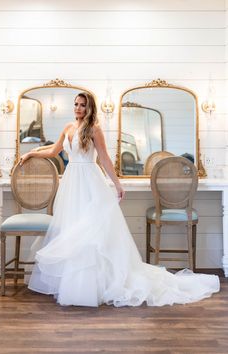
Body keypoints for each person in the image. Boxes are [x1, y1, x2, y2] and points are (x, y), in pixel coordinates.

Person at [20, 92, 220, 307]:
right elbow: (53, 150)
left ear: (90, 108)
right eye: (76, 104)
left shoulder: (94, 129)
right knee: (72, 230)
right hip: (71, 184)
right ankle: (74, 283)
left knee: (90, 232)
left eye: (82, 105)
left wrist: (117, 184)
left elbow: (105, 158)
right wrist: (31, 153)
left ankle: (93, 284)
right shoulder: (68, 127)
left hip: (89, 181)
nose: (78, 108)